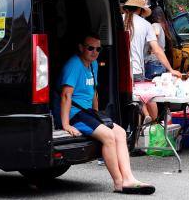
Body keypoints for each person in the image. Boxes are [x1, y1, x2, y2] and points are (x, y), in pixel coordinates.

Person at [58, 34, 155, 195]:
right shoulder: (74, 65)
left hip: (88, 112)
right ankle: (119, 183)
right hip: (76, 113)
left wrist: (97, 114)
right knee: (109, 136)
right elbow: (66, 95)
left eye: (98, 49)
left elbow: (93, 92)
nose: (94, 52)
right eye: (90, 48)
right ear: (81, 47)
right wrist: (66, 124)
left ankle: (129, 178)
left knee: (121, 132)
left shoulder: (93, 64)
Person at [123, 0, 180, 121]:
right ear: (140, 10)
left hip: (120, 72)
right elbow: (157, 50)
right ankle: (152, 124)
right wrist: (170, 69)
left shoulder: (117, 20)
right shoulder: (145, 24)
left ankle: (141, 122)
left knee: (127, 104)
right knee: (144, 98)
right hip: (137, 71)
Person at [144, 5, 171, 79]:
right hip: (159, 63)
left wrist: (151, 48)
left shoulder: (154, 25)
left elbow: (156, 34)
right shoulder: (162, 26)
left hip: (153, 62)